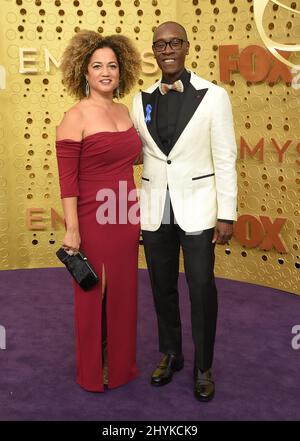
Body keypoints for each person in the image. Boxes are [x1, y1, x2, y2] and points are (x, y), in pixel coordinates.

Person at [131, 21, 237, 402]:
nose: (168, 49)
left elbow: (225, 157)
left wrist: (227, 213)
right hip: (155, 210)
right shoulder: (139, 98)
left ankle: (203, 365)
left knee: (201, 287)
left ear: (187, 46)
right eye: (160, 44)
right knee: (161, 287)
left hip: (199, 210)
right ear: (154, 52)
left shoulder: (214, 95)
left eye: (174, 42)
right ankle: (171, 354)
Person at [55, 30, 142, 392]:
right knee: (91, 292)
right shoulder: (75, 116)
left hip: (126, 213)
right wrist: (72, 229)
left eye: (112, 65)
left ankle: (120, 365)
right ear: (84, 73)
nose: (105, 72)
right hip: (93, 215)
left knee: (124, 291)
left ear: (122, 71)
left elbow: (134, 156)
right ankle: (92, 371)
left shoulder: (125, 110)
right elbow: (68, 181)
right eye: (97, 66)